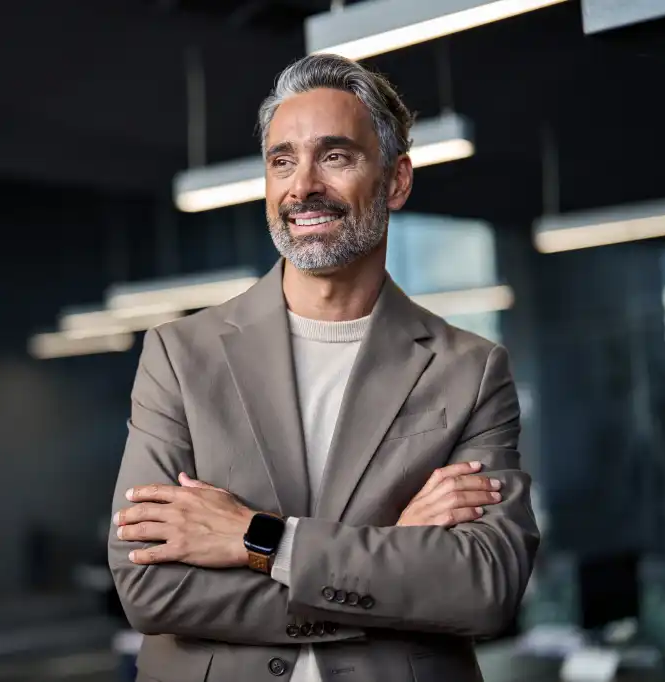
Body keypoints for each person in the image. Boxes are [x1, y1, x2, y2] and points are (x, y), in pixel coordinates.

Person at [107, 53, 539, 682]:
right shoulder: (180, 355)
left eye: (335, 156)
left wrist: (257, 540)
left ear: (396, 180)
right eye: (282, 161)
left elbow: (485, 586)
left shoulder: (470, 369)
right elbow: (149, 586)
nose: (302, 186)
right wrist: (393, 563)